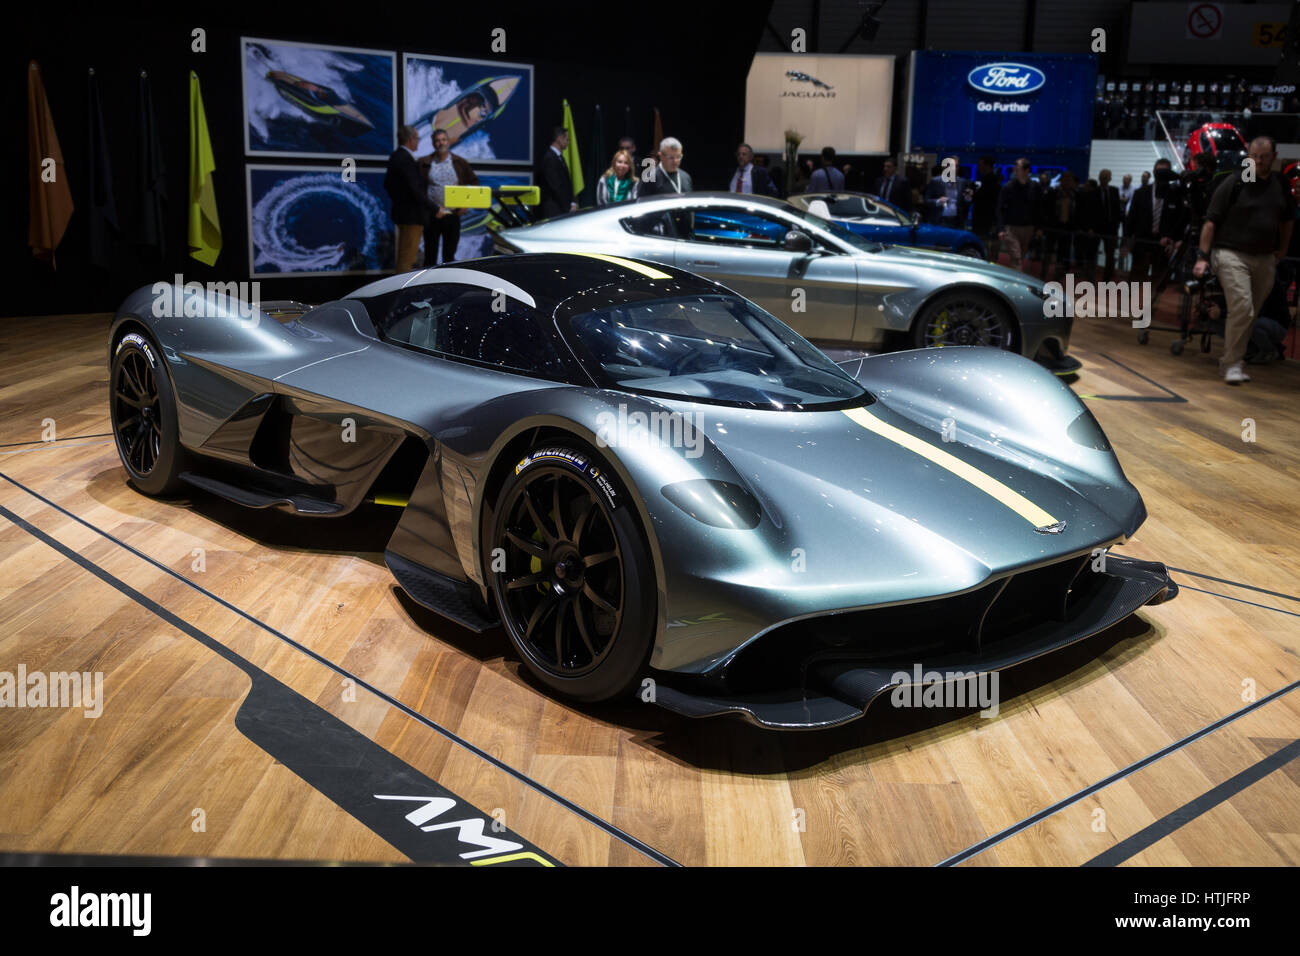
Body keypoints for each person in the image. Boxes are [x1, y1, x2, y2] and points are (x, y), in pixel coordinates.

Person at [1192, 135, 1296, 384]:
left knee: (1251, 313)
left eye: (1264, 157)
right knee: (1242, 306)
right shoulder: (1236, 182)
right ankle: (1232, 364)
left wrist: (1281, 251)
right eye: (1254, 156)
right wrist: (1202, 257)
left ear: (1274, 156)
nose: (1259, 162)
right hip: (1230, 253)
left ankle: (1233, 359)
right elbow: (1211, 222)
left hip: (1264, 258)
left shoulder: (1280, 184)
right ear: (1248, 156)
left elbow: (1287, 220)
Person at [418, 127, 479, 266]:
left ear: (449, 142)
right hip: (433, 215)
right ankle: (427, 285)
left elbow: (474, 182)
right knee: (430, 256)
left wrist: (466, 203)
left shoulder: (459, 162)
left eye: (443, 140)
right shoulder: (424, 163)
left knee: (449, 256)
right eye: (437, 141)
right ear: (433, 143)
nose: (441, 143)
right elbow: (418, 190)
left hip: (452, 215)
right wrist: (431, 209)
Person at [1125, 158, 1188, 284]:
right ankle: (1130, 303)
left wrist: (1174, 239)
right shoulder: (1140, 192)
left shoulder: (1175, 194)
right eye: (1159, 171)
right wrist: (1125, 242)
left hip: (1163, 245)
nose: (1162, 175)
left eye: (1165, 171)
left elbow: (1180, 219)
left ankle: (1152, 303)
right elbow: (1131, 218)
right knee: (1136, 279)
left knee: (1158, 280)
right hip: (1142, 242)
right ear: (1154, 171)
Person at [384, 125, 434, 273]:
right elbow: (416, 190)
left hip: (402, 214)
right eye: (417, 138)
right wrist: (434, 208)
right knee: (407, 260)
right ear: (411, 139)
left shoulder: (396, 156)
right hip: (412, 216)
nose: (418, 142)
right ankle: (400, 293)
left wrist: (400, 201)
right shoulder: (406, 159)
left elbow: (387, 184)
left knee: (405, 256)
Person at [996, 158, 1042, 272]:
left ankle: (1015, 280)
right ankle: (1018, 285)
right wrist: (1001, 228)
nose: (1015, 172)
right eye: (1014, 169)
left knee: (1020, 257)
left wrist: (1039, 227)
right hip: (1011, 228)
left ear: (1027, 171)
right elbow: (1000, 208)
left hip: (1028, 228)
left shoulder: (1035, 187)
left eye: (1018, 169)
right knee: (1016, 258)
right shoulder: (1008, 187)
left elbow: (1040, 208)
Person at [538, 125, 577, 219]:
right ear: (559, 139)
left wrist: (572, 202)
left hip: (562, 208)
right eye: (567, 139)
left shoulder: (559, 157)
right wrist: (568, 206)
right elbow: (556, 186)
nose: (568, 142)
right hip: (554, 209)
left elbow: (567, 183)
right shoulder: (549, 158)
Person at [923, 156, 971, 228]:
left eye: (956, 166)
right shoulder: (936, 181)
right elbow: (926, 201)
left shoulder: (962, 182)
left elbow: (964, 203)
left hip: (957, 221)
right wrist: (938, 201)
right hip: (940, 220)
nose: (954, 169)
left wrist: (968, 198)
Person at [970, 156, 1002, 257]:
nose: (978, 167)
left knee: (984, 249)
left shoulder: (991, 181)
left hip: (985, 222)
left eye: (980, 165)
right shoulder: (989, 180)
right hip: (986, 221)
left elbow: (986, 201)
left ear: (987, 166)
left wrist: (974, 194)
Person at [1095, 169, 1123, 279]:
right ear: (1099, 178)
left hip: (1111, 228)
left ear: (1110, 179)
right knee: (1093, 254)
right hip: (1097, 228)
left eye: (1106, 177)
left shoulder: (1114, 191)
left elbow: (1117, 208)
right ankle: (1092, 279)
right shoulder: (1094, 191)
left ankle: (1107, 281)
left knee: (1110, 256)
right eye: (1102, 177)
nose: (1104, 179)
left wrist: (1117, 223)